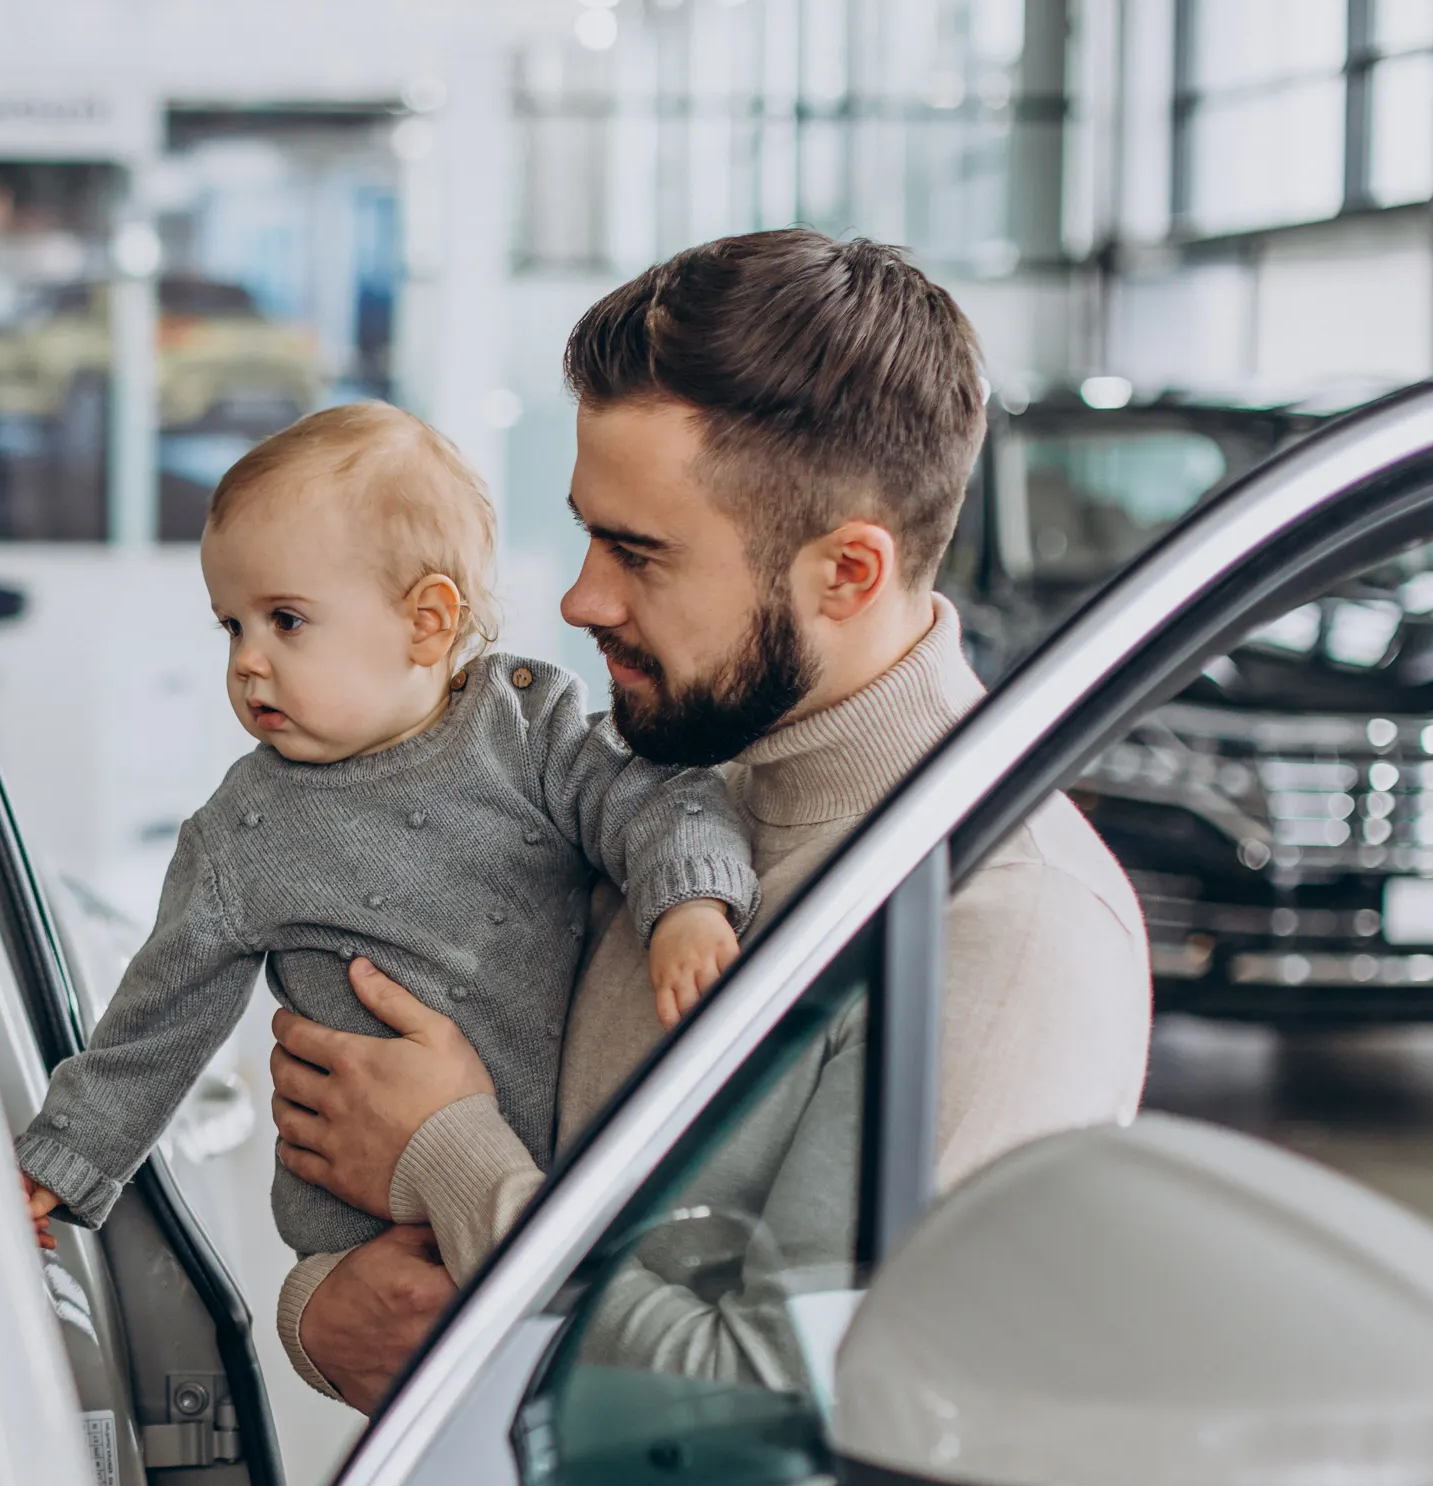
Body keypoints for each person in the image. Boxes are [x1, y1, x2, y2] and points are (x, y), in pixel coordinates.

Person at [268, 230, 1152, 1412]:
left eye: (638, 553)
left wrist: (449, 1159)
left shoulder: (1001, 925)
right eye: (586, 532)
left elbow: (788, 1412)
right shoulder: (650, 792)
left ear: (845, 572)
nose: (581, 598)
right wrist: (323, 1311)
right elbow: (401, 1280)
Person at [14, 401, 759, 1262]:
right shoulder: (243, 831)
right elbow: (158, 1020)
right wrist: (61, 1162)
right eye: (232, 626)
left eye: (285, 620)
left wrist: (689, 904)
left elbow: (656, 796)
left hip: (530, 1205)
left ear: (427, 620)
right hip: (367, 1240)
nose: (247, 660)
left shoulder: (528, 723)